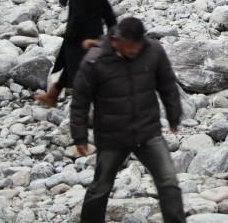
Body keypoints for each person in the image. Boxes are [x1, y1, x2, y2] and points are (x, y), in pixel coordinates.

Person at [71, 17, 185, 223]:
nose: (134, 51)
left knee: (169, 181)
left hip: (148, 131)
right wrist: (79, 136)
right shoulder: (95, 60)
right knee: (101, 187)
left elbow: (167, 85)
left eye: (138, 46)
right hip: (112, 136)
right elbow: (80, 101)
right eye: (129, 47)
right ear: (116, 39)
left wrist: (173, 115)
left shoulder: (153, 51)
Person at [35, 0, 117, 107]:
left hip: (79, 35)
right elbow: (106, 10)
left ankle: (89, 104)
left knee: (77, 67)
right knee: (69, 63)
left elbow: (77, 14)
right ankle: (52, 95)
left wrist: (70, 34)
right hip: (95, 32)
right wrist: (113, 29)